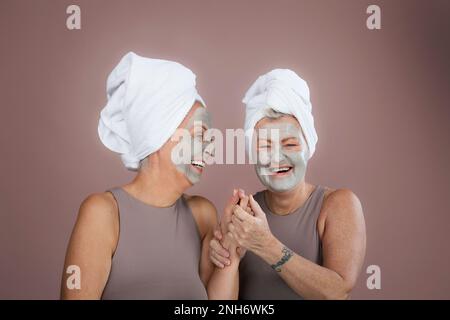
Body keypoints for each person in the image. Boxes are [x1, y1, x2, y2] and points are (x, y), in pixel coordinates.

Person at [61, 52, 236, 299]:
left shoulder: (203, 215)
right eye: (198, 134)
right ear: (158, 133)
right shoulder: (102, 213)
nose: (209, 148)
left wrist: (232, 254)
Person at [209, 69, 367, 299]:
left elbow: (336, 292)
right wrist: (229, 256)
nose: (277, 157)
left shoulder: (338, 204)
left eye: (290, 144)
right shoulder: (243, 216)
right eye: (264, 146)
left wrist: (266, 245)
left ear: (308, 146)